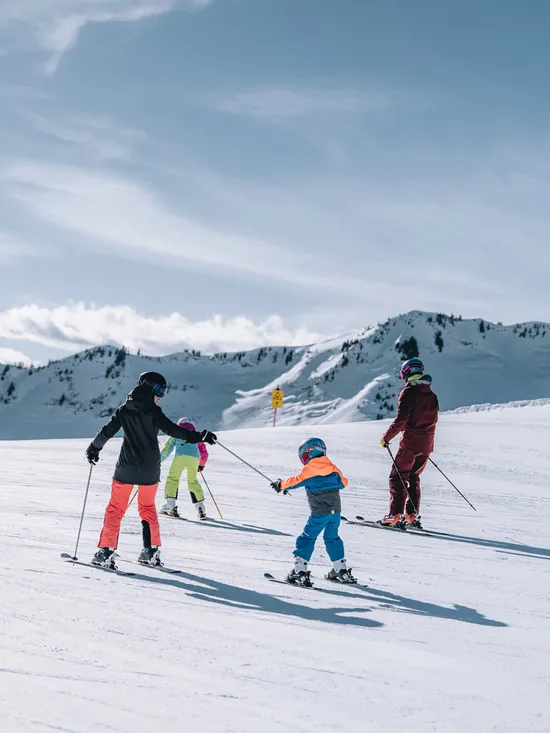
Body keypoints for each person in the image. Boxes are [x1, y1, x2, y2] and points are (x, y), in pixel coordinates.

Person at [85, 372, 217, 569]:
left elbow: (107, 431)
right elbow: (174, 430)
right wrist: (199, 436)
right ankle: (151, 551)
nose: (160, 396)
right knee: (147, 508)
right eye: (160, 391)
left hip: (126, 468)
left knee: (115, 509)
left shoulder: (124, 410)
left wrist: (93, 449)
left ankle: (106, 551)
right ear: (150, 387)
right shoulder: (154, 411)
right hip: (149, 469)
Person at [271, 437, 356, 587]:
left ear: (308, 453)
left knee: (307, 538)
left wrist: (281, 485)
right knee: (332, 537)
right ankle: (340, 569)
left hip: (319, 513)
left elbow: (296, 481)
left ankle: (300, 570)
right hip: (335, 512)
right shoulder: (333, 468)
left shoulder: (309, 470)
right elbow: (344, 483)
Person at [379, 357, 439, 528]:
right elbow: (432, 420)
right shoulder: (431, 395)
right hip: (426, 445)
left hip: (410, 445)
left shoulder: (409, 392)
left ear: (405, 373)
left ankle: (394, 515)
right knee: (414, 477)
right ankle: (411, 515)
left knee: (398, 477)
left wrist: (386, 438)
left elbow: (401, 420)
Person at [160, 417, 209, 520]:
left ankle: (170, 506)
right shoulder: (195, 434)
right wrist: (201, 465)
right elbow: (203, 451)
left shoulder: (177, 432)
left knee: (173, 478)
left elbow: (167, 449)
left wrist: (157, 461)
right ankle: (200, 508)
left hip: (181, 457)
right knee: (192, 481)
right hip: (194, 459)